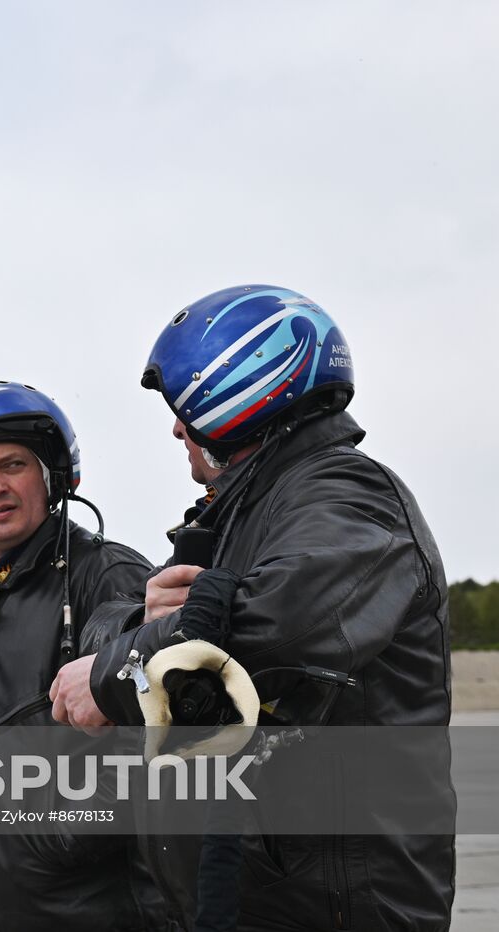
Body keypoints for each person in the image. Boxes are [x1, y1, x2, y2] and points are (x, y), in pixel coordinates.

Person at [48, 285, 455, 930]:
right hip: (254, 895)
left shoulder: (347, 494)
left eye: (187, 409)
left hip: (330, 907)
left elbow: (275, 629)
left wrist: (109, 674)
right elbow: (195, 622)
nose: (178, 429)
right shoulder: (249, 510)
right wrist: (138, 627)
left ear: (237, 394)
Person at [0, 381, 160, 931]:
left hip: (82, 912)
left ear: (49, 476)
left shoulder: (108, 577)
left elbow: (161, 749)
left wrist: (55, 839)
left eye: (12, 465)